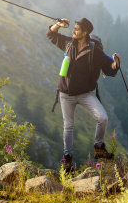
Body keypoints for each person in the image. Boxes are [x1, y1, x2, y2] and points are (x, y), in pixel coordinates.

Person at [46, 16, 121, 173]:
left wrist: (116, 63)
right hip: (66, 93)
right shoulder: (68, 44)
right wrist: (58, 25)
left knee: (102, 118)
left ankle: (99, 147)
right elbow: (51, 35)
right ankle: (68, 161)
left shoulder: (95, 51)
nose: (73, 30)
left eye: (77, 29)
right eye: (73, 28)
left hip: (86, 94)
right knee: (69, 126)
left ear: (85, 32)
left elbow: (110, 68)